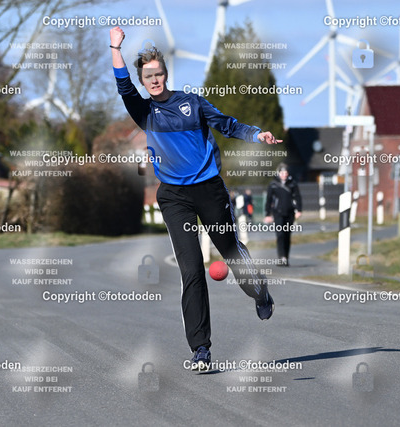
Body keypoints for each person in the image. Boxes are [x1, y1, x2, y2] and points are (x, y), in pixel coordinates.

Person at [109, 27, 281, 371]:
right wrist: (115, 48)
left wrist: (255, 134)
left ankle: (259, 290)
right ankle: (201, 348)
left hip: (208, 189)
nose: (154, 80)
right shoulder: (144, 113)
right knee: (191, 270)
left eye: (158, 74)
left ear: (165, 74)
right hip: (174, 196)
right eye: (147, 76)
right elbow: (122, 84)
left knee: (231, 253)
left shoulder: (193, 103)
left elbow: (227, 124)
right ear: (143, 81)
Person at [264, 163, 302, 266]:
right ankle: (282, 257)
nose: (284, 174)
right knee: (280, 234)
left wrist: (299, 210)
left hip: (290, 213)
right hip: (278, 213)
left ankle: (286, 257)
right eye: (282, 172)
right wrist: (268, 214)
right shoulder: (273, 184)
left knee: (287, 235)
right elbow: (269, 199)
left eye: (286, 172)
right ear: (278, 173)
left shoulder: (292, 184)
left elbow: (297, 197)